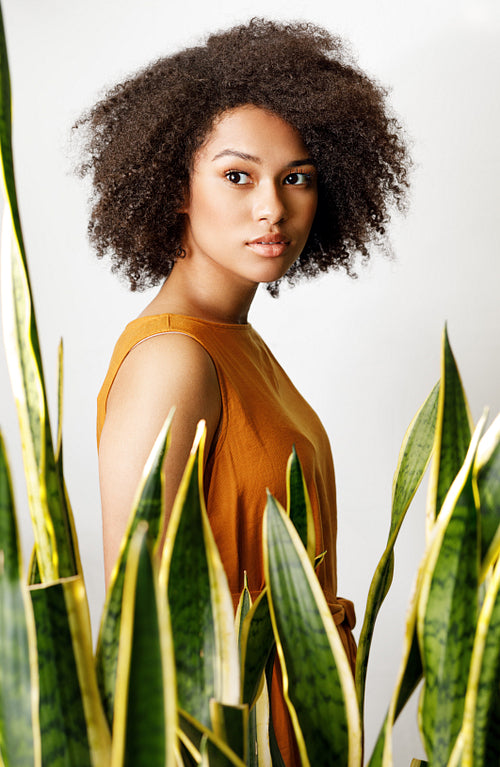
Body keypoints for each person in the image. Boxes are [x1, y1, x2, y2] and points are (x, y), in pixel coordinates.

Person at [76, 18, 410, 764]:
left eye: (296, 177)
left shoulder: (240, 344)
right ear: (174, 188)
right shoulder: (174, 358)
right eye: (238, 175)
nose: (273, 207)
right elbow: (143, 623)